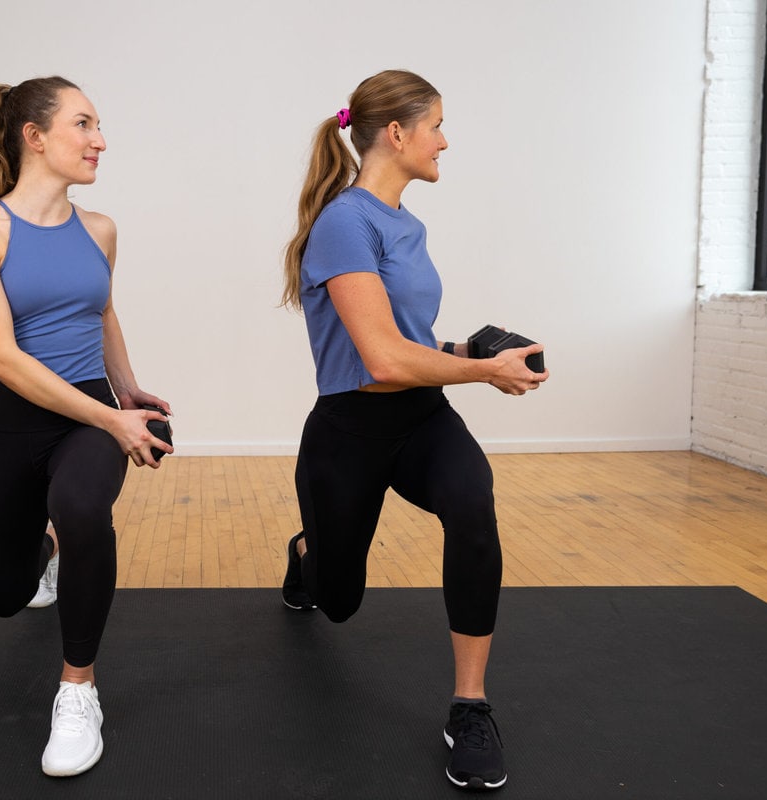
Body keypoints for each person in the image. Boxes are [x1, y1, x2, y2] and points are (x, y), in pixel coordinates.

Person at [280, 69, 548, 791]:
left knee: (473, 505)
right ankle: (308, 552)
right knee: (338, 601)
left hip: (422, 415)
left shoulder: (408, 224)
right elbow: (381, 358)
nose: (445, 141)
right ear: (396, 134)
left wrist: (473, 352)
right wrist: (488, 378)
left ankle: (470, 705)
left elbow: (414, 341)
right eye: (436, 126)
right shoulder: (345, 222)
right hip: (349, 427)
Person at [0, 76, 172, 778]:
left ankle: (79, 691)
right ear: (34, 137)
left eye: (98, 125)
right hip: (17, 417)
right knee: (5, 593)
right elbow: (3, 358)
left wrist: (126, 389)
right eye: (83, 124)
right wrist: (115, 416)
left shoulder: (98, 229)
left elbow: (99, 312)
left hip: (87, 412)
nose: (99, 139)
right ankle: (41, 553)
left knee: (82, 507)